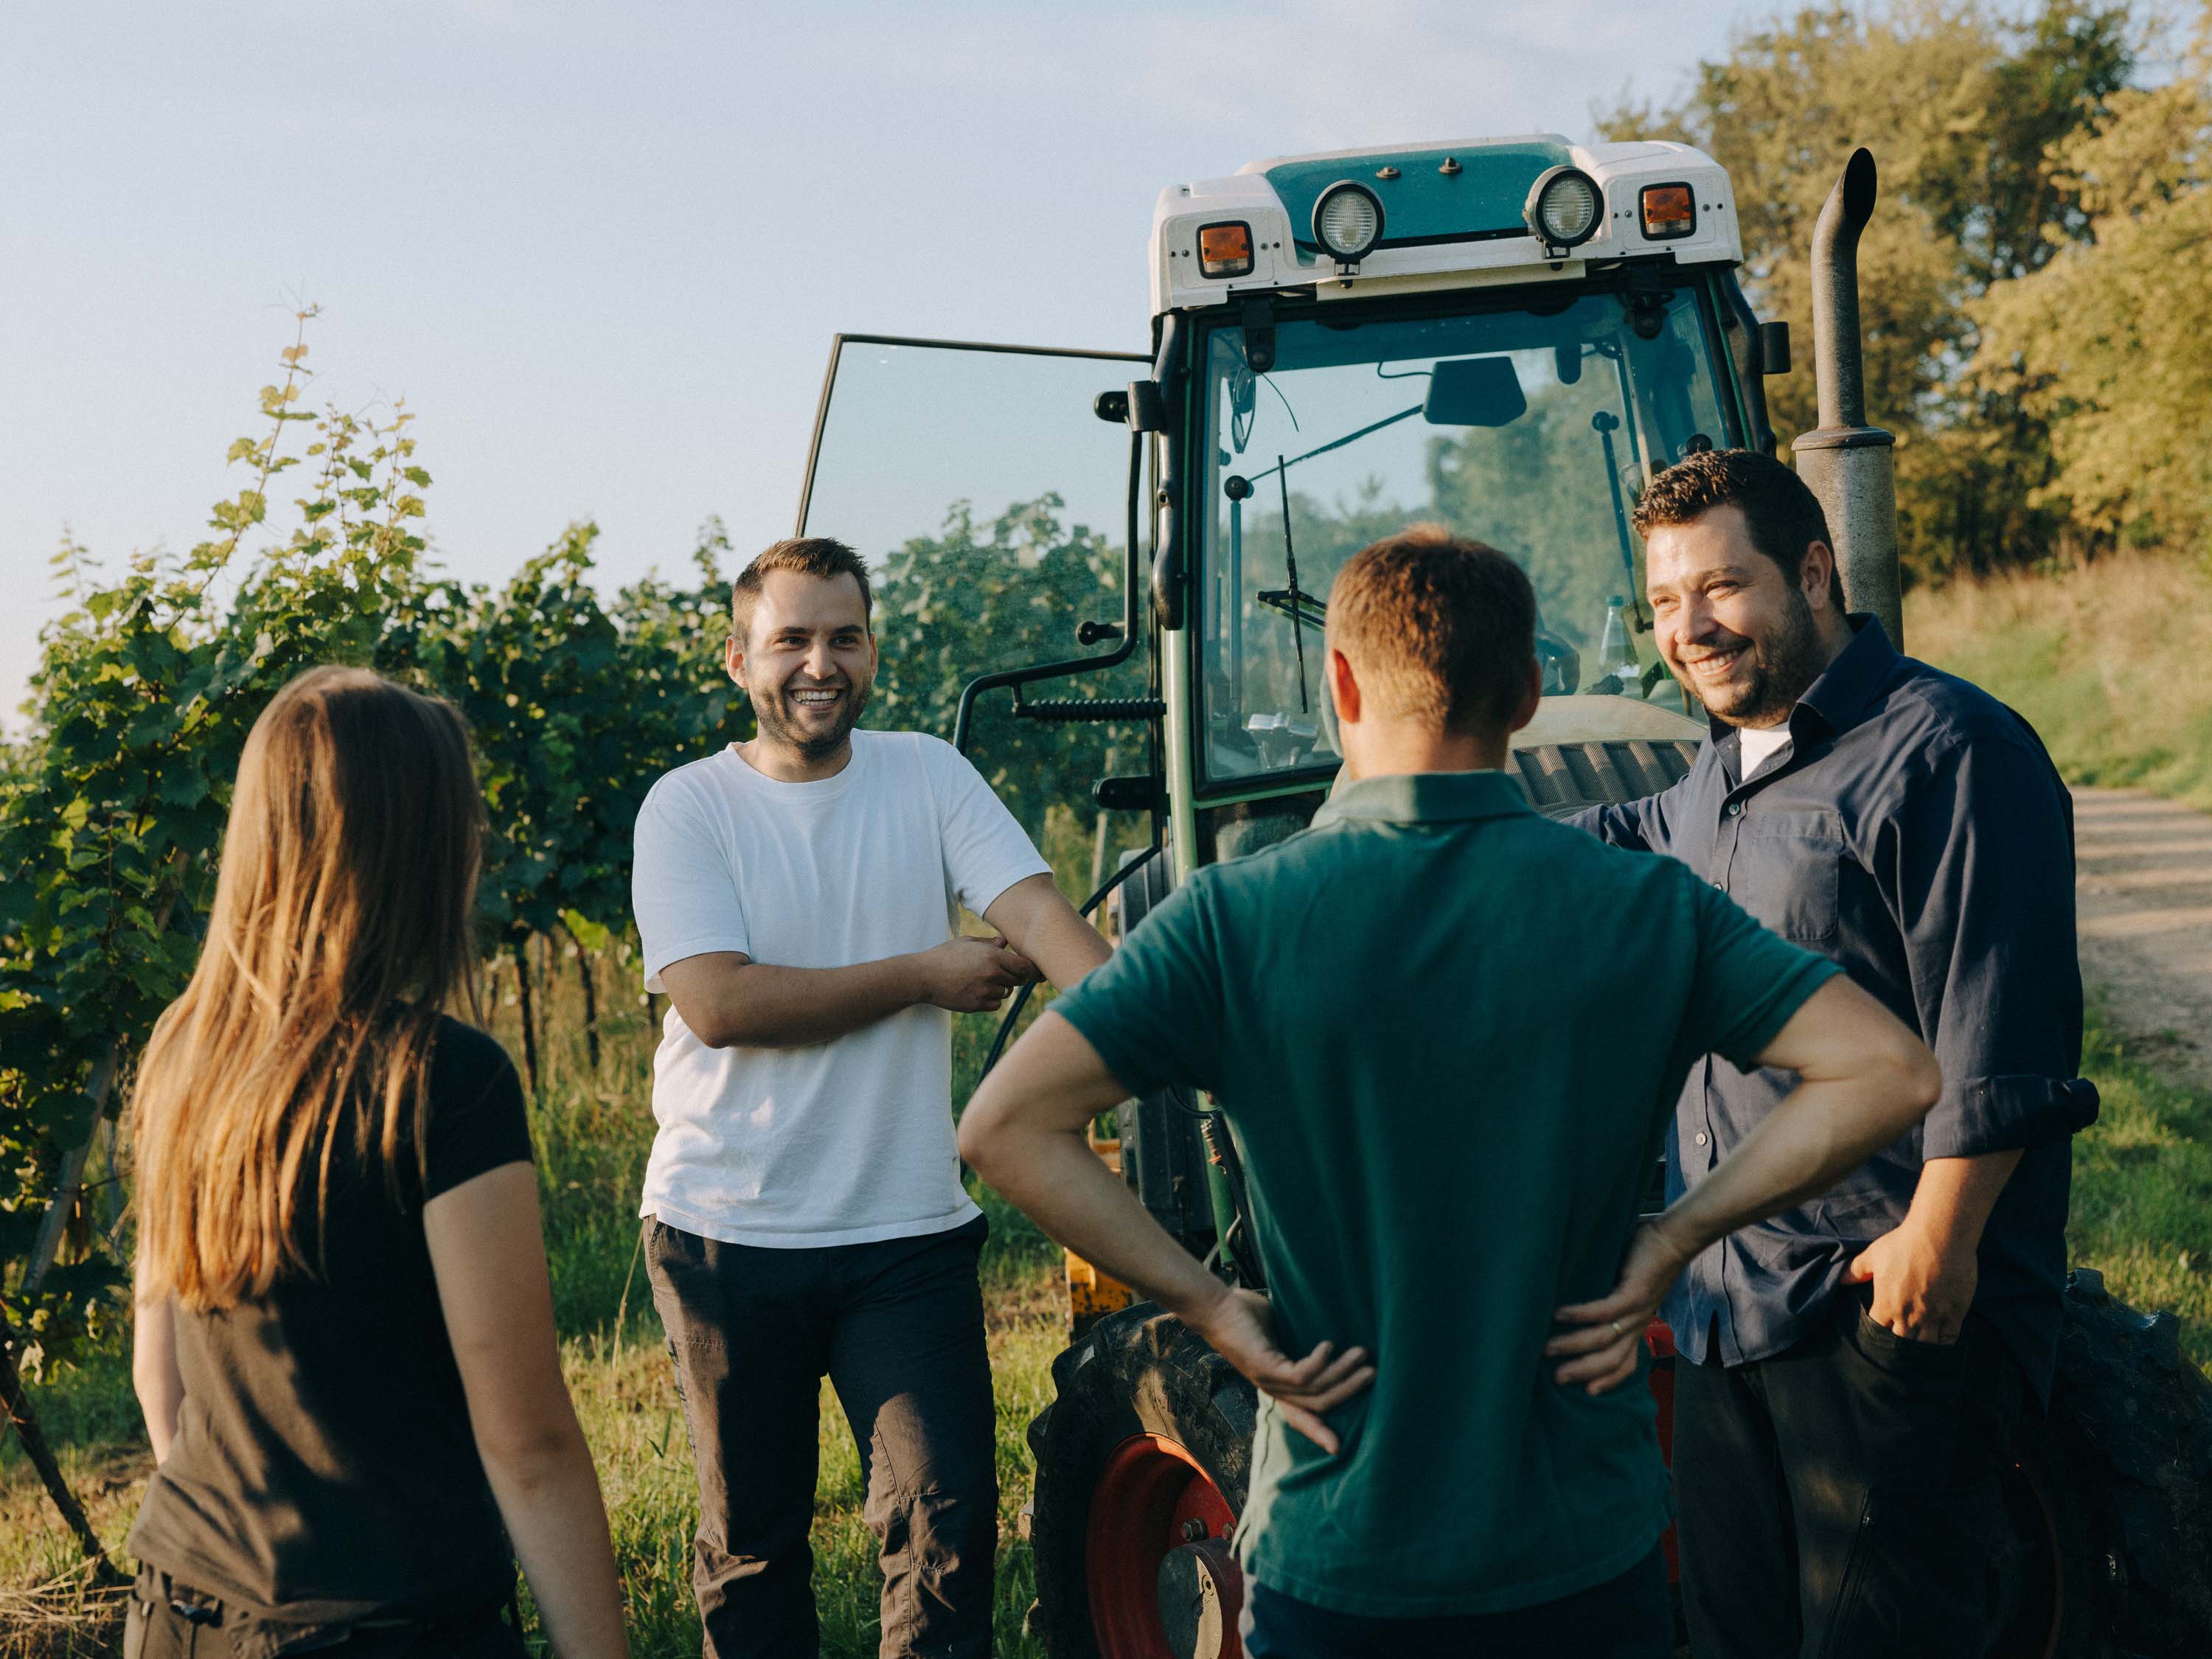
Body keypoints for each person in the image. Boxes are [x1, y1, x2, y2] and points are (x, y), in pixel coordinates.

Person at [959, 526, 1947, 1659]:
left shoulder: (1234, 920)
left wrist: (1213, 1308)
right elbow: (1893, 1070)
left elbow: (1004, 1126)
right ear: (1530, 692)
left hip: (1339, 1555)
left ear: (1339, 683)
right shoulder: (1645, 907)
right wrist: (1674, 1239)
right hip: (1582, 1548)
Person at [1572, 448, 2101, 1658]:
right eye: (1662, 601)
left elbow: (2002, 1028)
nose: (1690, 628)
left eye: (1721, 587)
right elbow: (1583, 843)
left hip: (1880, 1306)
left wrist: (1939, 1243)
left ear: (1815, 571)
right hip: (1722, 1306)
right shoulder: (1709, 784)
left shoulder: (1951, 748)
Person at [630, 535, 1110, 1659]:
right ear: (738, 659)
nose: (819, 662)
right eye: (791, 638)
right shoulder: (688, 807)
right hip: (727, 1230)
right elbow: (719, 1002)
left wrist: (1146, 1017)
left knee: (945, 1529)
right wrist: (925, 972)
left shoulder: (928, 774)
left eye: (843, 636)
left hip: (905, 1231)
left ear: (872, 651)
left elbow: (1039, 916)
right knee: (754, 1546)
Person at [125, 667, 628, 1659]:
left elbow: (162, 1379)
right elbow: (527, 1444)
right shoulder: (442, 1080)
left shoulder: (186, 1051)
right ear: (418, 848)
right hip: (382, 1623)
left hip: (181, 1606)